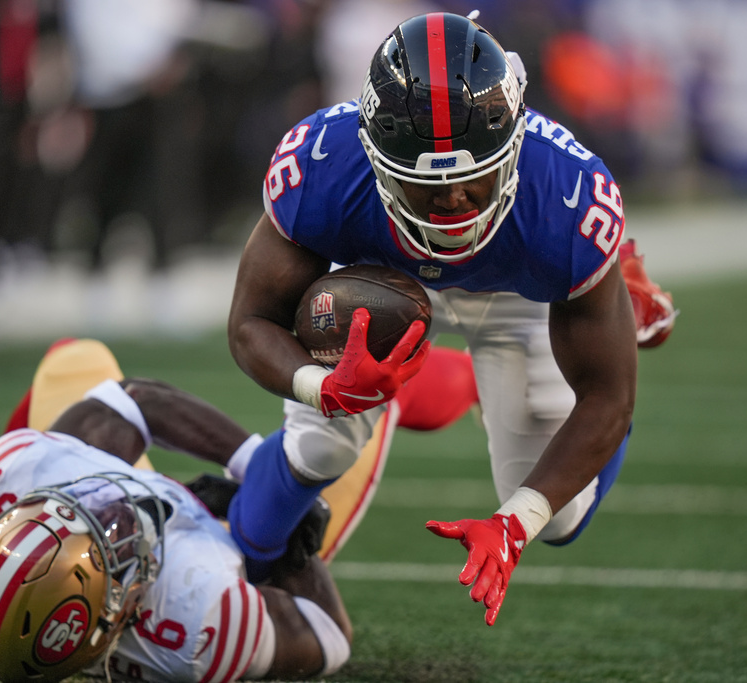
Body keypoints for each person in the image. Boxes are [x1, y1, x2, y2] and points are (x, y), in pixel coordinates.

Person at [226, 10, 677, 627]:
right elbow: (250, 323)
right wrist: (322, 386)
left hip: (522, 287)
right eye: (427, 188)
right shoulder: (325, 166)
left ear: (513, 150)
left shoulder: (565, 202)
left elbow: (608, 399)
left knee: (558, 517)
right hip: (383, 273)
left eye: (473, 181)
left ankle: (610, 288)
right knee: (320, 445)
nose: (455, 203)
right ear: (378, 161)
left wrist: (515, 525)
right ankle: (236, 572)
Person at [0, 338, 355, 682]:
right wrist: (280, 513)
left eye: (89, 514)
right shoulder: (196, 628)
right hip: (224, 560)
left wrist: (249, 463)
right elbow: (329, 636)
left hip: (74, 509)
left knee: (76, 359)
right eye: (112, 547)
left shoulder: (7, 480)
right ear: (113, 614)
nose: (113, 515)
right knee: (324, 455)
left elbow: (137, 400)